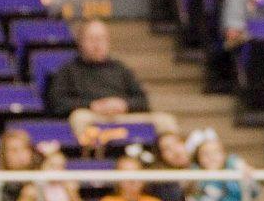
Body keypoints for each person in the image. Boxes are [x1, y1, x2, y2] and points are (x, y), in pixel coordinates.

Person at [45, 20, 179, 140]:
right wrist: (92, 105)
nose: (97, 44)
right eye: (92, 39)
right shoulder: (67, 70)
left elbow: (142, 101)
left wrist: (123, 105)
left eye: (102, 39)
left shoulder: (120, 68)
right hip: (92, 117)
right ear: (80, 42)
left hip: (123, 116)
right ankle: (90, 160)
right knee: (79, 117)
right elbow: (57, 103)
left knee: (166, 120)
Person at [12, 142, 88, 201]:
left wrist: (73, 195)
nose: (57, 171)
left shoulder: (67, 189)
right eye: (52, 166)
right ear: (41, 167)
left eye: (61, 167)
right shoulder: (31, 190)